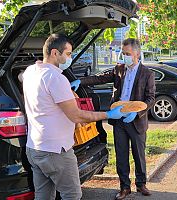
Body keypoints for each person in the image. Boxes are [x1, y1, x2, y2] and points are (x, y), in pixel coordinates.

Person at [23, 34, 126, 200]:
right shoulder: (56, 78)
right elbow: (76, 116)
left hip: (34, 148)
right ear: (55, 53)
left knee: (43, 196)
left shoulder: (30, 72)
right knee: (72, 195)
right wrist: (109, 114)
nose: (70, 58)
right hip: (55, 151)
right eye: (69, 54)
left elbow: (28, 80)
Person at [80, 38, 156, 200]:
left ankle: (141, 184)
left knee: (139, 154)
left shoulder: (147, 74)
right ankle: (124, 187)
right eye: (123, 53)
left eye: (128, 53)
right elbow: (99, 78)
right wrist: (80, 81)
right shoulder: (119, 69)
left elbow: (150, 99)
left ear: (137, 53)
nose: (125, 56)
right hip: (119, 119)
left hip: (136, 121)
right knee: (121, 155)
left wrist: (137, 112)